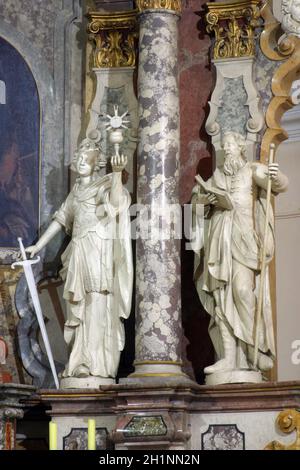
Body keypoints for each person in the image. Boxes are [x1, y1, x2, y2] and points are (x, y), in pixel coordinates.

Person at [26, 137, 133, 384]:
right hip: (79, 251)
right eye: (80, 159)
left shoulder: (104, 185)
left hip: (99, 250)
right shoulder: (76, 192)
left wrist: (117, 174)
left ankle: (96, 363)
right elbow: (61, 220)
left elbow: (117, 204)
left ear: (97, 163)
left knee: (96, 304)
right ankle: (79, 360)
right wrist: (38, 245)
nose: (83, 162)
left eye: (88, 159)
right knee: (78, 306)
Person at [192, 132, 288, 378]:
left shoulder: (251, 170)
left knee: (242, 291)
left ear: (241, 149)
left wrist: (276, 177)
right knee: (221, 299)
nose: (226, 151)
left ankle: (255, 350)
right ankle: (229, 357)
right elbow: (198, 204)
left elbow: (278, 185)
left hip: (243, 241)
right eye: (224, 147)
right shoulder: (219, 175)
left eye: (230, 146)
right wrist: (205, 200)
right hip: (219, 241)